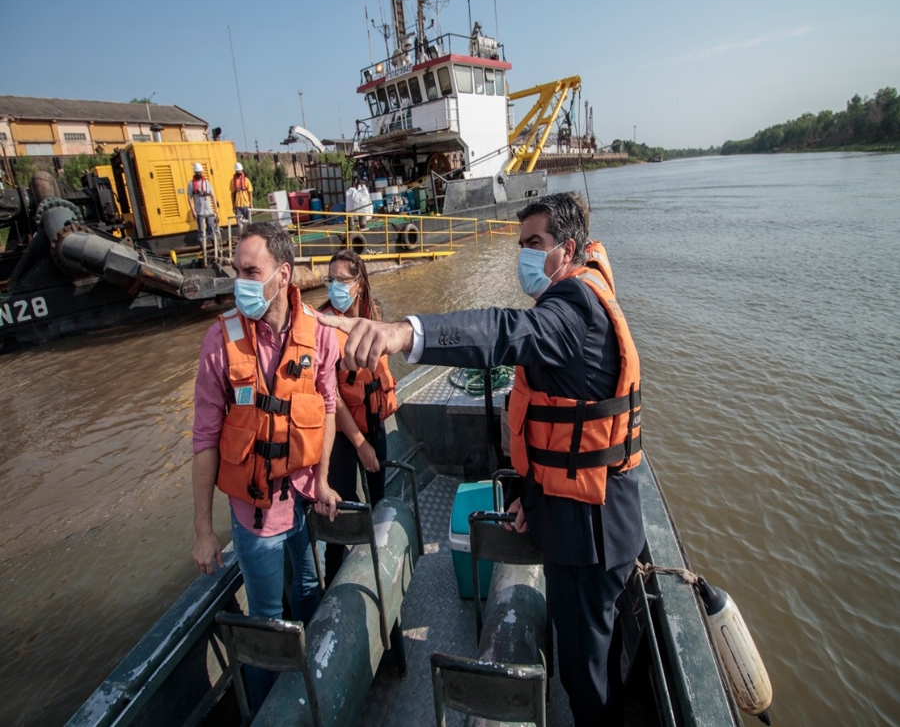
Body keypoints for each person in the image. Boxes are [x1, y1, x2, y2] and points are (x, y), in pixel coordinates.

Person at [318, 192, 644, 725]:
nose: (525, 256)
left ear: (567, 249)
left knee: (588, 678)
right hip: (575, 514)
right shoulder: (578, 294)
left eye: (534, 244)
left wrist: (406, 332)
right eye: (520, 245)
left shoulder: (576, 307)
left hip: (592, 533)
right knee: (588, 660)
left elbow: (499, 331)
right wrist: (528, 494)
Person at [191, 221, 342, 709]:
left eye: (251, 271)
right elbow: (204, 439)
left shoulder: (318, 333)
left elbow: (329, 406)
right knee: (265, 619)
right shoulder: (220, 343)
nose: (241, 282)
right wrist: (202, 530)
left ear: (284, 273)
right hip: (254, 514)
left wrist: (321, 481)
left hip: (301, 496)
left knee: (307, 589)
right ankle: (270, 710)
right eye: (237, 271)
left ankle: (317, 688)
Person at [317, 249, 397, 585]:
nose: (334, 286)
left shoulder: (373, 313)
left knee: (379, 499)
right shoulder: (323, 326)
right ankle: (335, 580)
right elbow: (331, 396)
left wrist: (371, 437)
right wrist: (360, 442)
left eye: (341, 279)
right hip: (343, 437)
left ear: (359, 284)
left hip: (375, 420)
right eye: (330, 279)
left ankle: (379, 569)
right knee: (343, 511)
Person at [188, 162, 219, 245]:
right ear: (194, 172)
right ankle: (202, 249)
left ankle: (216, 249)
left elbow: (213, 195)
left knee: (211, 229)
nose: (199, 174)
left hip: (209, 211)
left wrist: (216, 210)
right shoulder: (191, 184)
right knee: (201, 231)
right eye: (197, 172)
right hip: (199, 211)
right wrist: (193, 211)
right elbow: (189, 198)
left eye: (200, 172)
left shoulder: (206, 183)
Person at [231, 162, 253, 229]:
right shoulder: (232, 181)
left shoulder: (246, 180)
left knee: (249, 222)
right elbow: (232, 194)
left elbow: (250, 193)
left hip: (246, 204)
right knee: (239, 224)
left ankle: (249, 236)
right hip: (238, 206)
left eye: (239, 170)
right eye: (237, 171)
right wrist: (233, 205)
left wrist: (251, 204)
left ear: (242, 170)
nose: (238, 172)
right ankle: (241, 236)